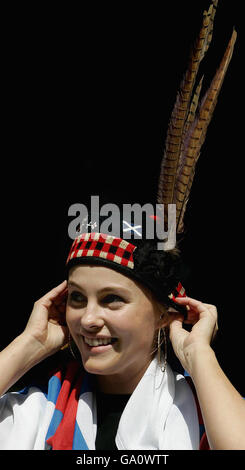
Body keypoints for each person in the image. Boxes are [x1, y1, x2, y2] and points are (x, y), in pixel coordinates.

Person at [0, 225, 244, 450]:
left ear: (163, 315)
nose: (87, 319)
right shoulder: (37, 408)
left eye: (112, 299)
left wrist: (199, 354)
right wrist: (31, 343)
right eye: (77, 297)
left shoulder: (205, 409)